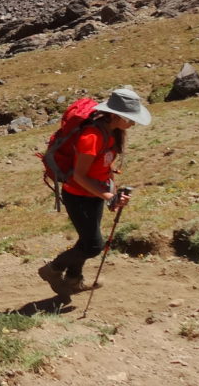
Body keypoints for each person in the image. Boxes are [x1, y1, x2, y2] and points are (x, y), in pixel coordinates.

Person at [37, 87, 151, 298]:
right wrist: (108, 196)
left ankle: (73, 280)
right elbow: (79, 176)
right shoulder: (91, 137)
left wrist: (111, 192)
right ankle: (52, 269)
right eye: (130, 118)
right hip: (78, 196)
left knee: (86, 241)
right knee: (93, 245)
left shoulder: (112, 133)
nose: (133, 123)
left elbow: (103, 168)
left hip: (95, 194)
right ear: (116, 115)